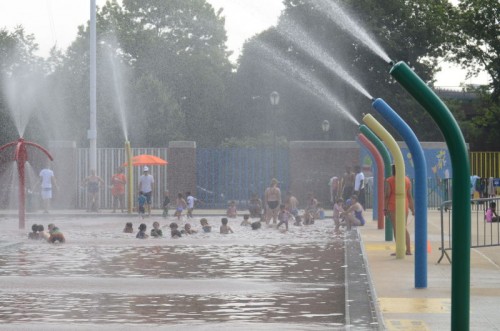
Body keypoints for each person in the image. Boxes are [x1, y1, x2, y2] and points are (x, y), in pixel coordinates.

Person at [384, 164, 414, 256]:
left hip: (393, 206)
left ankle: (399, 250)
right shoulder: (407, 180)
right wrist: (412, 209)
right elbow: (409, 196)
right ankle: (408, 250)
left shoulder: (390, 180)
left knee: (396, 228)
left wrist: (385, 208)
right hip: (404, 206)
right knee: (403, 227)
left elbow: (387, 195)